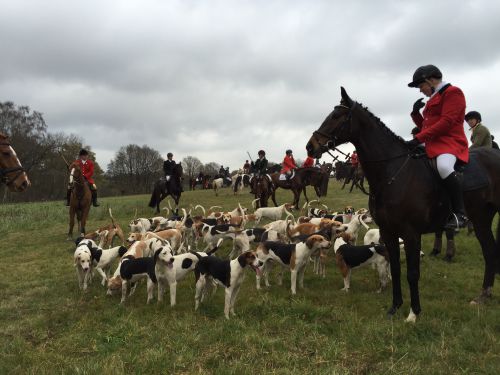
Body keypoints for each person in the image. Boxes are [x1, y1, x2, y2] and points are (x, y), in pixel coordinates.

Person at [406, 64, 469, 229]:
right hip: (433, 144)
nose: (420, 90)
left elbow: (447, 122)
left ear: (431, 80)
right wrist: (415, 114)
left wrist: (418, 138)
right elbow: (427, 127)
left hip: (450, 142)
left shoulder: (453, 92)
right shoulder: (433, 99)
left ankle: (460, 213)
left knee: (443, 167)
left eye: (421, 86)